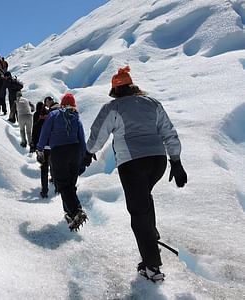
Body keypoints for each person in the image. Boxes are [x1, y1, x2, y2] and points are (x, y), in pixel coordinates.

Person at [84, 66, 187, 282]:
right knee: (144, 200)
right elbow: (169, 131)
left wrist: (89, 152)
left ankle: (152, 267)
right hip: (157, 162)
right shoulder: (152, 103)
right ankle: (151, 236)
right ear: (133, 87)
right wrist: (176, 161)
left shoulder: (113, 107)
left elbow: (98, 134)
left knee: (138, 211)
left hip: (132, 164)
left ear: (115, 90)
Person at [36, 93, 87, 231]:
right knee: (70, 184)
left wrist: (40, 149)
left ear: (62, 104)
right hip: (75, 151)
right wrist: (84, 156)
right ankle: (70, 214)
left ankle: (76, 211)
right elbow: (81, 138)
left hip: (59, 152)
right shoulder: (76, 117)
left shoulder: (54, 115)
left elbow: (45, 131)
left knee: (63, 184)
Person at [31, 99, 51, 198]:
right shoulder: (51, 124)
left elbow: (34, 136)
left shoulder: (37, 124)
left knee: (44, 169)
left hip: (41, 149)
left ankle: (44, 190)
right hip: (52, 148)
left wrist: (33, 147)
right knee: (53, 166)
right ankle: (55, 184)